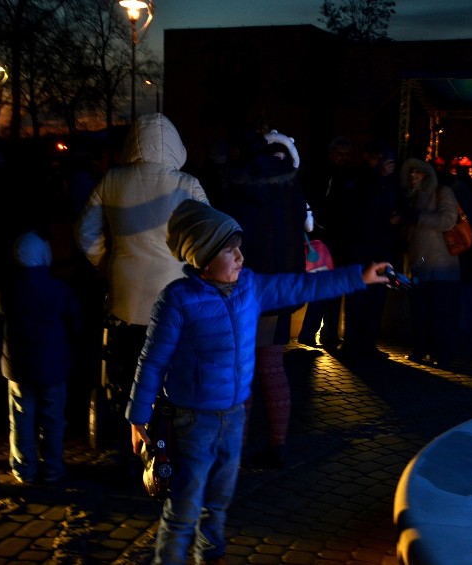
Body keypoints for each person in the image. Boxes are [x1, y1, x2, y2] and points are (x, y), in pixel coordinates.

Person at [126, 199, 391, 565]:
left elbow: (300, 287)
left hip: (234, 415)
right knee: (186, 502)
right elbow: (152, 361)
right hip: (193, 421)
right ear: (202, 258)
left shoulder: (251, 287)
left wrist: (359, 276)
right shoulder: (177, 300)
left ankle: (210, 554)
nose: (239, 257)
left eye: (239, 247)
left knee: (220, 497)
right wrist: (138, 416)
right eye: (228, 250)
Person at [74, 113, 208, 461]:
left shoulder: (112, 180)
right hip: (173, 301)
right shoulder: (186, 184)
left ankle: (129, 452)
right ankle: (167, 456)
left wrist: (109, 262)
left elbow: (85, 233)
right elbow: (207, 240)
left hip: (124, 299)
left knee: (126, 379)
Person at [216, 125, 307, 468]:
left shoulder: (239, 185)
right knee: (272, 367)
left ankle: (237, 448)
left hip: (246, 290)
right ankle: (277, 444)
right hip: (280, 289)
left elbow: (229, 237)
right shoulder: (290, 183)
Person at [0, 229, 83, 485]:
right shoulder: (59, 289)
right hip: (53, 365)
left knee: (21, 418)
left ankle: (24, 469)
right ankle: (53, 468)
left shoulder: (6, 289)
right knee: (53, 419)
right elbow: (75, 322)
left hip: (18, 367)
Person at [337, 138, 404, 364]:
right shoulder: (361, 178)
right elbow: (361, 210)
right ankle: (354, 344)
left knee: (375, 298)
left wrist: (395, 217)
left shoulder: (386, 181)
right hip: (361, 248)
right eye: (380, 158)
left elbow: (389, 205)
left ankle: (367, 343)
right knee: (359, 298)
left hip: (378, 248)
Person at [297, 135, 357, 351]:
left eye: (345, 154)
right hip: (328, 239)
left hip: (335, 239)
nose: (343, 158)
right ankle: (315, 332)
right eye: (340, 154)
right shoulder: (326, 177)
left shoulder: (337, 176)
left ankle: (324, 332)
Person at [400, 157, 461, 366]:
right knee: (420, 311)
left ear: (427, 173)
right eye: (409, 171)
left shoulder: (442, 192)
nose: (412, 175)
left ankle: (442, 354)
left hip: (441, 264)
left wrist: (418, 217)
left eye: (417, 171)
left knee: (440, 312)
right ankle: (421, 349)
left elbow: (448, 220)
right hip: (420, 262)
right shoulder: (410, 197)